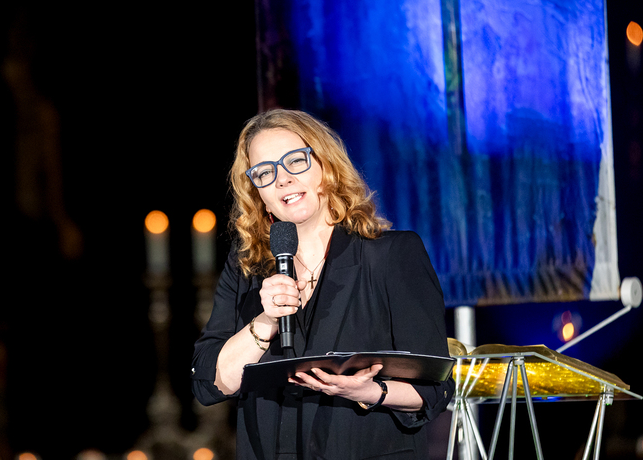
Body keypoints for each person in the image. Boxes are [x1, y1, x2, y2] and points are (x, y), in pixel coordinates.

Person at [192, 109, 453, 460]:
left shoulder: (392, 255)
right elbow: (210, 384)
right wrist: (265, 322)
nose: (282, 179)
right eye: (265, 172)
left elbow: (435, 389)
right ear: (257, 192)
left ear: (326, 165)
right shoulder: (247, 268)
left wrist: (367, 391)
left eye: (295, 161)